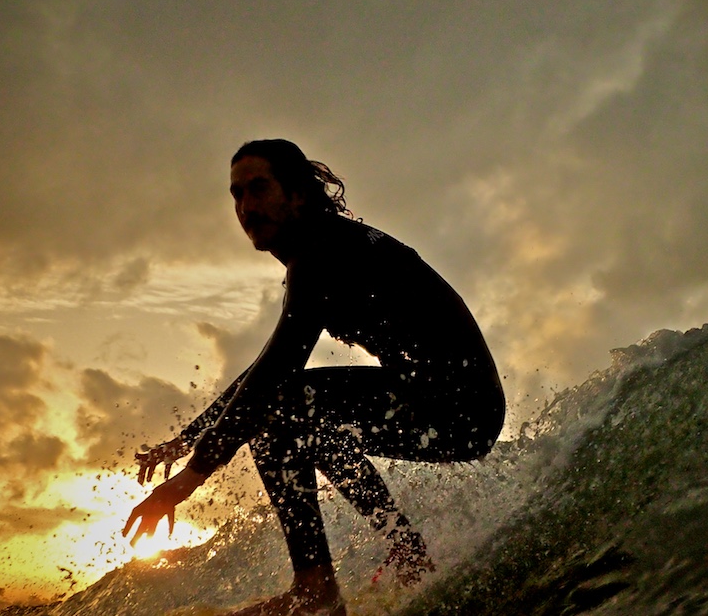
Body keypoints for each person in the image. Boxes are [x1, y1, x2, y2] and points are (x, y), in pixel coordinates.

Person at [122, 139, 505, 616]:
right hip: (446, 403)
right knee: (299, 415)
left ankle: (317, 589)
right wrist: (187, 438)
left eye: (258, 188)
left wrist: (185, 481)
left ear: (299, 192)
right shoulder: (321, 248)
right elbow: (267, 366)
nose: (245, 207)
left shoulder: (322, 253)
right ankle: (402, 549)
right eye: (236, 195)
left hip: (458, 408)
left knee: (281, 408)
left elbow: (273, 375)